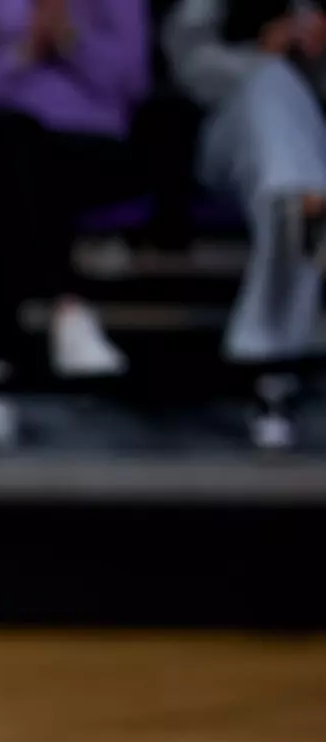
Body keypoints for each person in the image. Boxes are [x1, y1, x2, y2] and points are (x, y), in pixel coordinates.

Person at [0, 0, 151, 375]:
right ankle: (67, 308)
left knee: (17, 171)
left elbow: (132, 82)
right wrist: (20, 55)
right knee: (11, 144)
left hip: (85, 148)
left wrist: (71, 41)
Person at [163, 0, 326, 449]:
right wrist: (263, 55)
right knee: (271, 92)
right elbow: (189, 71)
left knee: (288, 193)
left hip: (310, 132)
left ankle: (267, 373)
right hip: (231, 133)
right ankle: (273, 373)